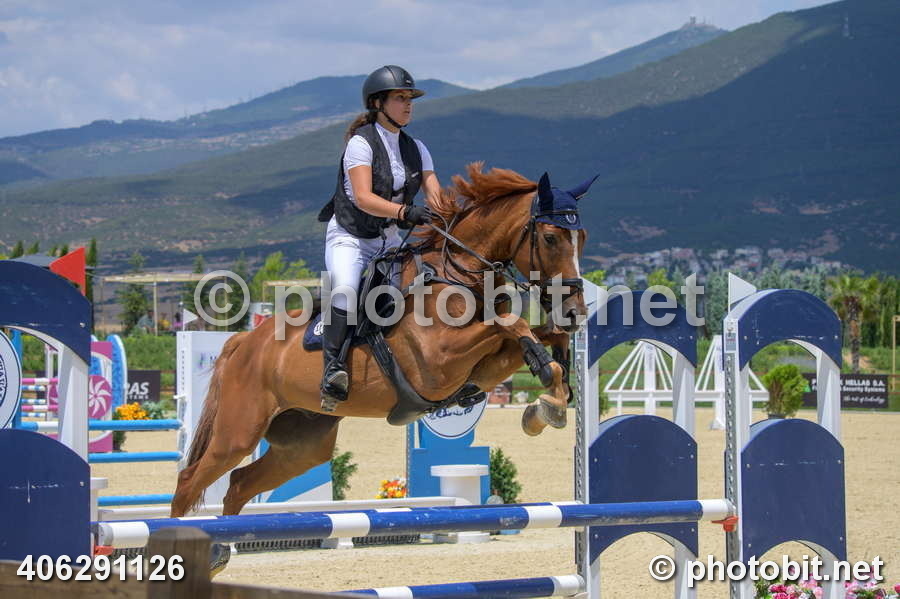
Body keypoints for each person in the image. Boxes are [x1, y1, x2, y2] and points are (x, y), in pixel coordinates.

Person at [316, 65, 441, 411]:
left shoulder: (417, 148)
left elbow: (436, 196)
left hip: (388, 240)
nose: (408, 104)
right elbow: (363, 197)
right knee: (345, 290)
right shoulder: (361, 143)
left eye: (410, 98)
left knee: (424, 288)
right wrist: (404, 212)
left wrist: (453, 217)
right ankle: (332, 372)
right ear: (377, 103)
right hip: (351, 237)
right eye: (400, 98)